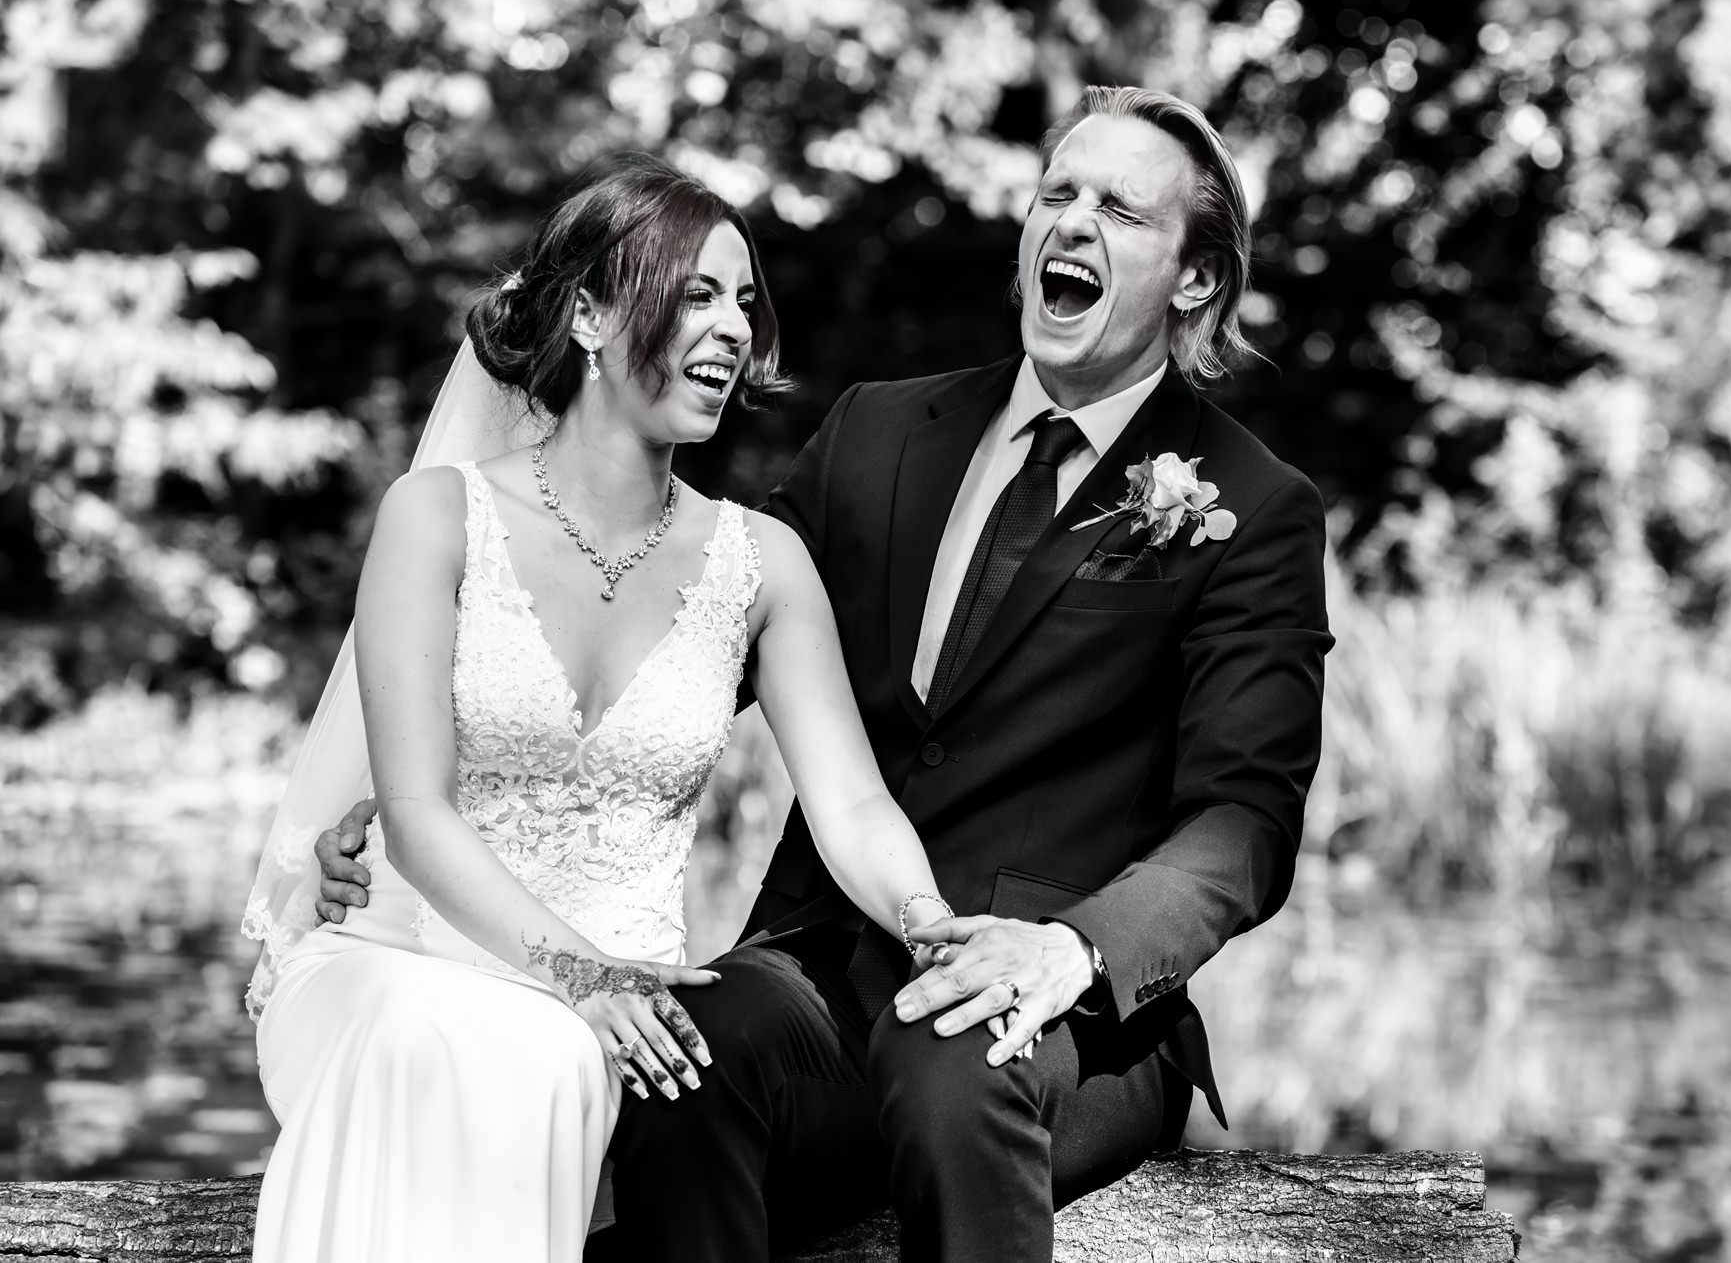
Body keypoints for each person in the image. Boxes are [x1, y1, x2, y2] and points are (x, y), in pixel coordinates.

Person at [319, 85, 1330, 1262]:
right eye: (1057, 191)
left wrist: (1072, 952)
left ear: (1195, 279)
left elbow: (1244, 822)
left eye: (1121, 210)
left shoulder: (1248, 506)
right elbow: (686, 629)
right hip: (827, 966)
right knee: (687, 1043)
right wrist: (427, 791)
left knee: (956, 1058)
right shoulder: (878, 431)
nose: (1072, 222)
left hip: (1064, 1011)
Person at [239, 153, 955, 1263]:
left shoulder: (761, 564)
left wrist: (927, 922)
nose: (731, 329)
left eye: (745, 302)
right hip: (405, 964)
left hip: (629, 1009)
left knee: (565, 1055)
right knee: (483, 1041)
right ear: (589, 314)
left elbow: (853, 802)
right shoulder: (434, 517)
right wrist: (581, 973)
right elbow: (417, 816)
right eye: (697, 293)